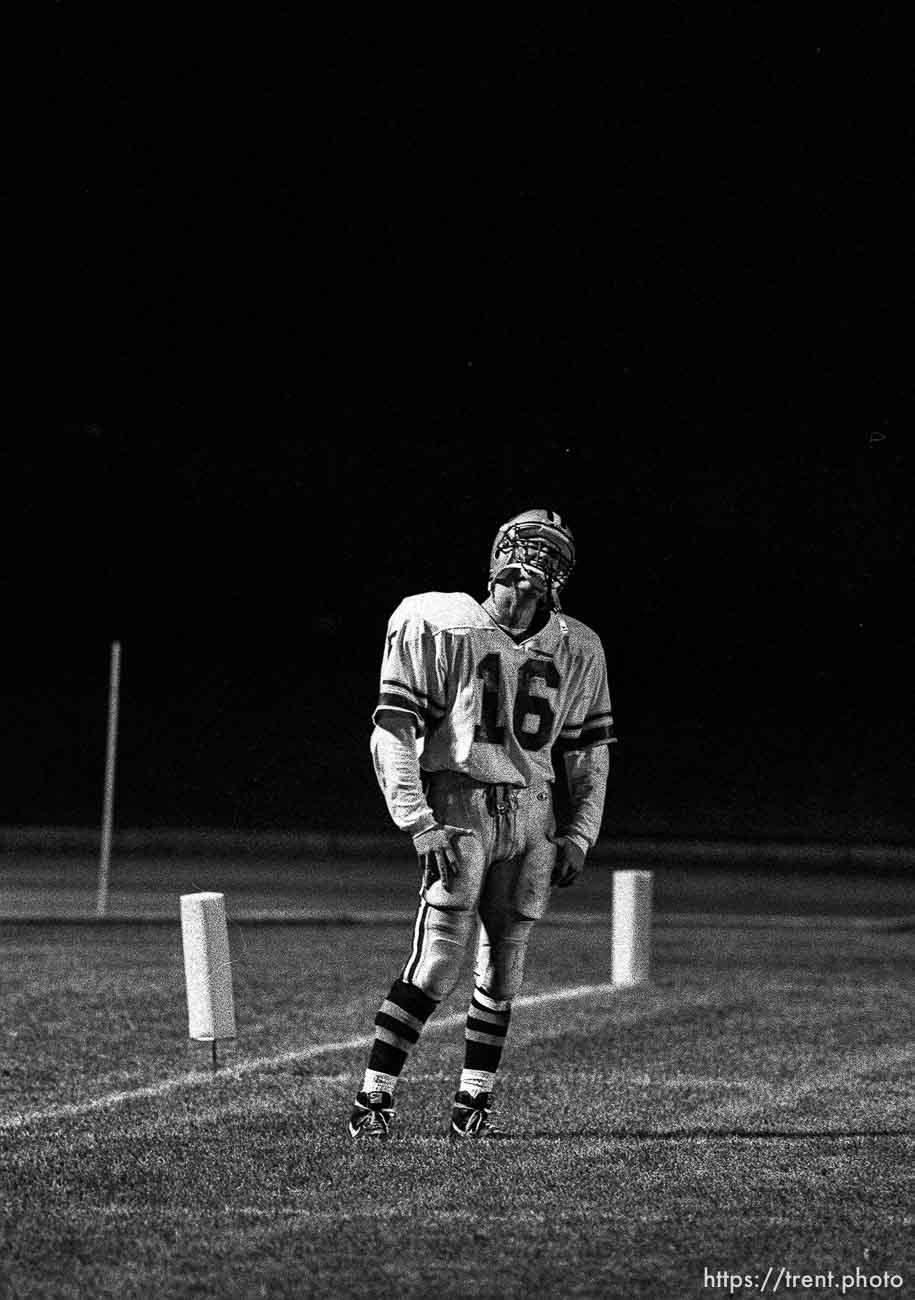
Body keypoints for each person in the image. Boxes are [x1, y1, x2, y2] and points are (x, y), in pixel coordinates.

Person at [347, 508, 615, 1141]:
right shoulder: (440, 621)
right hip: (461, 806)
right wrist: (418, 820)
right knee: (438, 964)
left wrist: (580, 834)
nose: (533, 569)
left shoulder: (577, 645)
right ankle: (374, 1098)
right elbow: (394, 729)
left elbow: (588, 753)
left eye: (548, 559)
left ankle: (473, 1105)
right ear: (498, 557)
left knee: (503, 969)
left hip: (533, 811)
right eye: (527, 554)